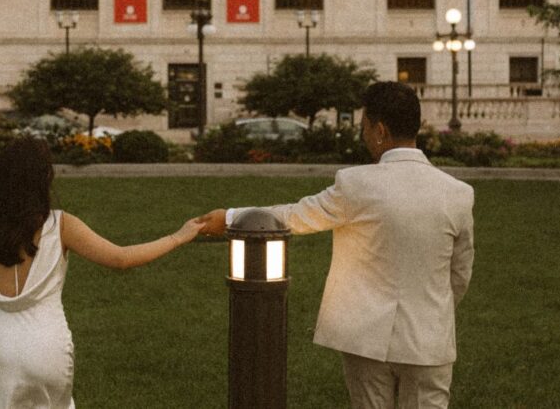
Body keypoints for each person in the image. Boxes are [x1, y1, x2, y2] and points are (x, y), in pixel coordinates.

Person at [198, 81, 475, 409]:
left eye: (363, 127)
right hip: (430, 339)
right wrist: (434, 311)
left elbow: (296, 216)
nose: (362, 135)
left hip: (367, 339)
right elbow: (460, 274)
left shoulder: (356, 184)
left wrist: (230, 217)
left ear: (380, 130)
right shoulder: (458, 193)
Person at [0, 137, 205, 409]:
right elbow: (120, 258)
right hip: (45, 345)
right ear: (45, 178)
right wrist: (178, 237)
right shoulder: (61, 225)